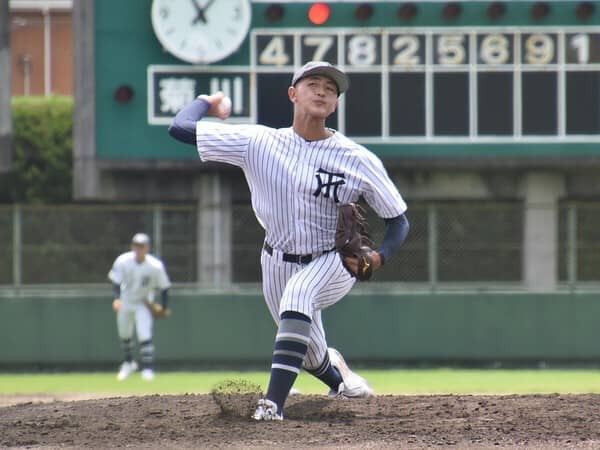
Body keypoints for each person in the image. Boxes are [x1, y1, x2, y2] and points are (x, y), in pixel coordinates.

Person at [168, 61, 409, 420]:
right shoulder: (258, 142)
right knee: (309, 353)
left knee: (298, 297)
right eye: (314, 83)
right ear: (293, 94)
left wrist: (379, 256)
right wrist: (207, 100)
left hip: (332, 260)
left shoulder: (357, 159)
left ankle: (272, 406)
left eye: (331, 88)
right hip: (276, 259)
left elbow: (398, 220)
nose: (323, 90)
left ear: (335, 104)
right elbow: (180, 128)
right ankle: (340, 379)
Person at [108, 233, 172, 381]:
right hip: (126, 300)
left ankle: (148, 368)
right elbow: (116, 282)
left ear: (147, 248)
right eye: (136, 245)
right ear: (132, 246)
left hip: (143, 302)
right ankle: (128, 363)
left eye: (141, 246)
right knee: (124, 334)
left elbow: (165, 287)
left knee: (144, 334)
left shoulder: (155, 266)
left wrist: (164, 307)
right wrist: (116, 299)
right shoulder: (123, 261)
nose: (138, 249)